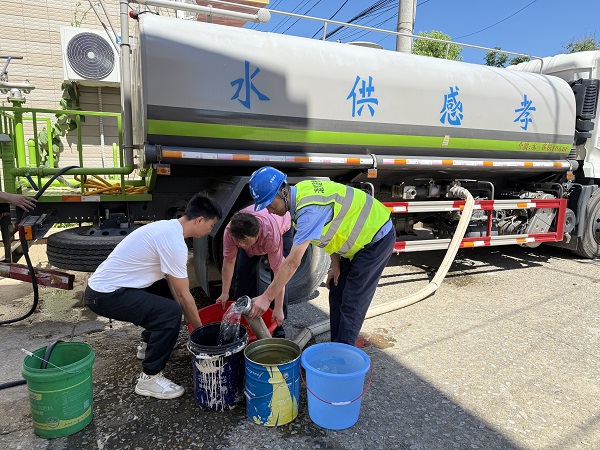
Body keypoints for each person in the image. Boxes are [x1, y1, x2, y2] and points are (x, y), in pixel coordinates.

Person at [85, 193, 222, 399]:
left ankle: (149, 345)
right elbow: (184, 296)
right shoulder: (174, 243)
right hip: (105, 295)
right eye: (211, 225)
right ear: (199, 220)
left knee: (167, 295)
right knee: (170, 313)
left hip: (110, 288)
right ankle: (150, 378)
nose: (210, 231)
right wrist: (201, 336)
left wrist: (182, 314)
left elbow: (174, 286)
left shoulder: (167, 228)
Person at [247, 167, 396, 346]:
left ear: (283, 191)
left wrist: (266, 298)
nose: (270, 211)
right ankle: (336, 345)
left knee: (352, 302)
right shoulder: (300, 193)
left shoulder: (308, 210)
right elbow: (329, 230)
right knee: (337, 291)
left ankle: (343, 356)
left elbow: (292, 262)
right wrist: (335, 264)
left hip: (375, 238)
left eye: (271, 204)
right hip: (356, 242)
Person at [216, 206, 292, 338]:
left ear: (257, 234)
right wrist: (224, 292)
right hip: (250, 235)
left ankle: (277, 322)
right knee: (243, 275)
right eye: (237, 241)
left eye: (244, 241)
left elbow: (279, 274)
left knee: (279, 278)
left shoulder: (270, 234)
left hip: (280, 229)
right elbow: (229, 261)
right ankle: (244, 319)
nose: (240, 245)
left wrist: (278, 308)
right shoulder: (230, 231)